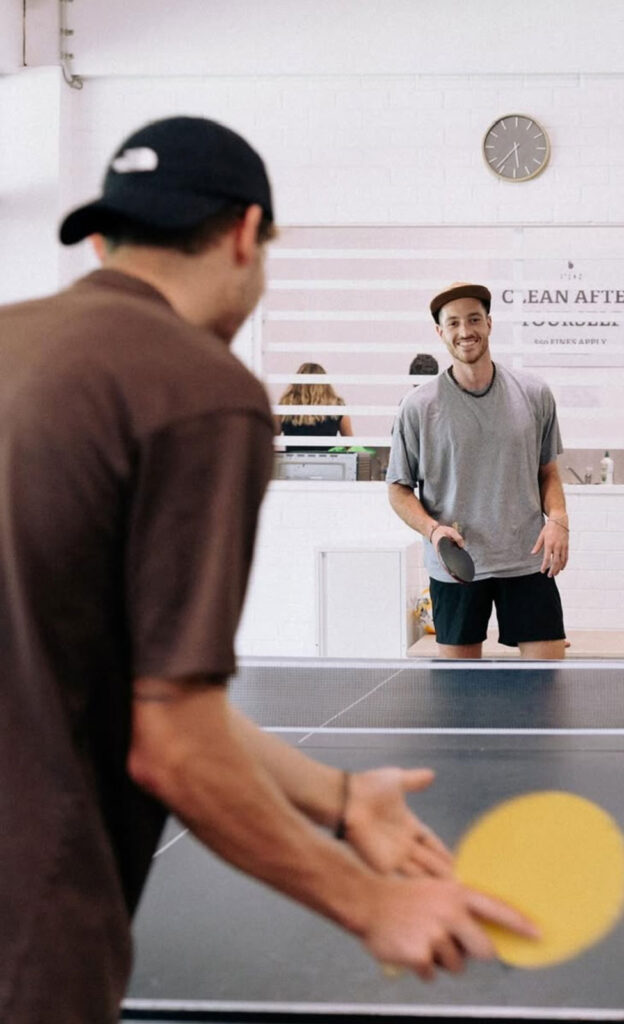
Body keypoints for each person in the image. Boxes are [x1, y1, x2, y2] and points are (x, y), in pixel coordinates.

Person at [0, 123, 537, 1023]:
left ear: (102, 239)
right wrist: (371, 903)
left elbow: (124, 692)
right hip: (28, 907)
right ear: (247, 234)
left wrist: (338, 796)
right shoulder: (197, 390)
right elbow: (171, 740)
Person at [387, 282, 569, 660]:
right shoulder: (417, 407)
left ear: (488, 323)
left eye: (473, 319)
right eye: (453, 323)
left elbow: (547, 469)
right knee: (460, 698)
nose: (465, 331)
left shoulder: (534, 393)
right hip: (457, 566)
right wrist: (432, 529)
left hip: (527, 561)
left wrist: (559, 519)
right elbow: (399, 489)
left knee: (547, 686)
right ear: (440, 332)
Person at [275, 361, 353, 449]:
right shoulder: (337, 407)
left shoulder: (286, 406)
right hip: (329, 462)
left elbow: (270, 440)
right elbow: (350, 446)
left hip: (293, 462)